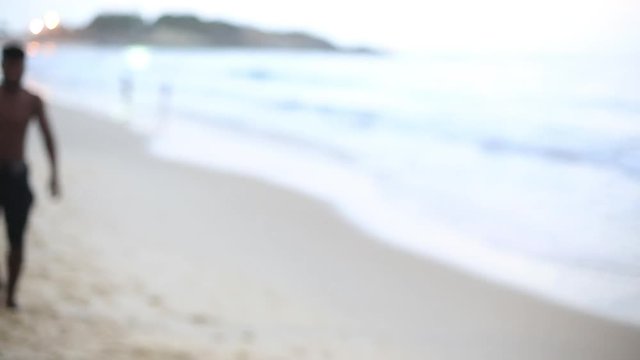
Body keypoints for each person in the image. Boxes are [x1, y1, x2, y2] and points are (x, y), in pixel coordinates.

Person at [0, 43, 59, 309]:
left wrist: (55, 174)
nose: (13, 70)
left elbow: (48, 137)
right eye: (8, 64)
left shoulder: (32, 100)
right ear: (3, 66)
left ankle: (11, 295)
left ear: (23, 67)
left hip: (16, 177)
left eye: (17, 65)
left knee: (17, 238)